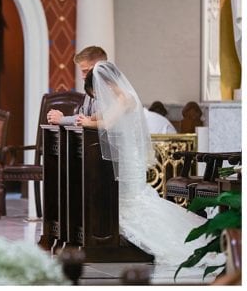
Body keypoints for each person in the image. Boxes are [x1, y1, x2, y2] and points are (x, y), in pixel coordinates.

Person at [79, 61, 223, 266]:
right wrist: (87, 119)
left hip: (130, 160)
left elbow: (108, 123)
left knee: (133, 202)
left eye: (98, 93)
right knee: (129, 201)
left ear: (107, 84)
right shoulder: (117, 100)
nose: (99, 97)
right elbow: (101, 117)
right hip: (127, 157)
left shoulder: (124, 98)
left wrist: (88, 122)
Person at [46, 46, 108, 126]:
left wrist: (62, 119)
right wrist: (61, 118)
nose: (83, 76)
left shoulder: (108, 91)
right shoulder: (90, 89)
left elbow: (102, 121)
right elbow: (83, 117)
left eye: (85, 71)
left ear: (97, 68)